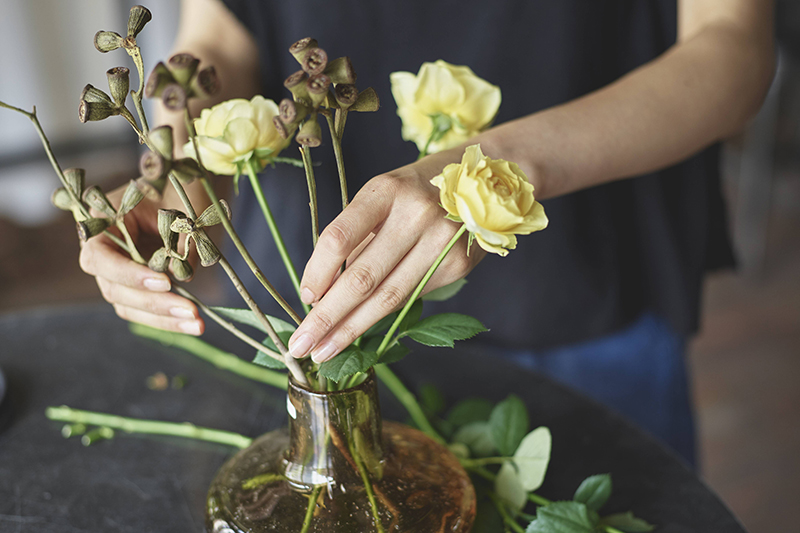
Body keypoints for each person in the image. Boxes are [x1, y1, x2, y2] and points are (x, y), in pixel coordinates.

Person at [78, 0, 775, 466]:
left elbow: (731, 47)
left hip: (586, 292)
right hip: (315, 316)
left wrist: (491, 175)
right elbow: (219, 35)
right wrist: (178, 171)